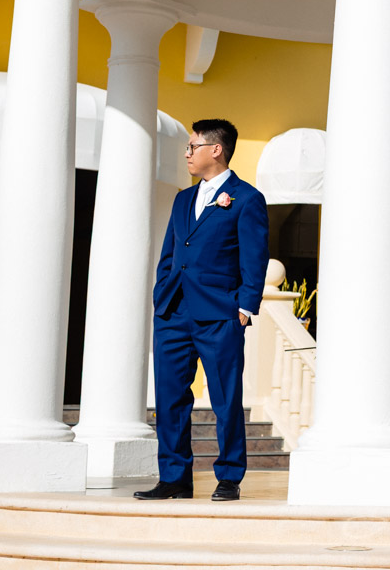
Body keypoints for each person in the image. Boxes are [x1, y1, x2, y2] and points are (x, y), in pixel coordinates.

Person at [135, 118, 269, 502]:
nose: (187, 153)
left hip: (219, 314)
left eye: (192, 146)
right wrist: (161, 295)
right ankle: (174, 477)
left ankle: (229, 476)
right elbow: (170, 255)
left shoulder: (246, 198)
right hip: (174, 312)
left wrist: (244, 308)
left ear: (216, 150)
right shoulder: (182, 198)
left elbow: (255, 257)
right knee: (170, 396)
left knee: (225, 397)